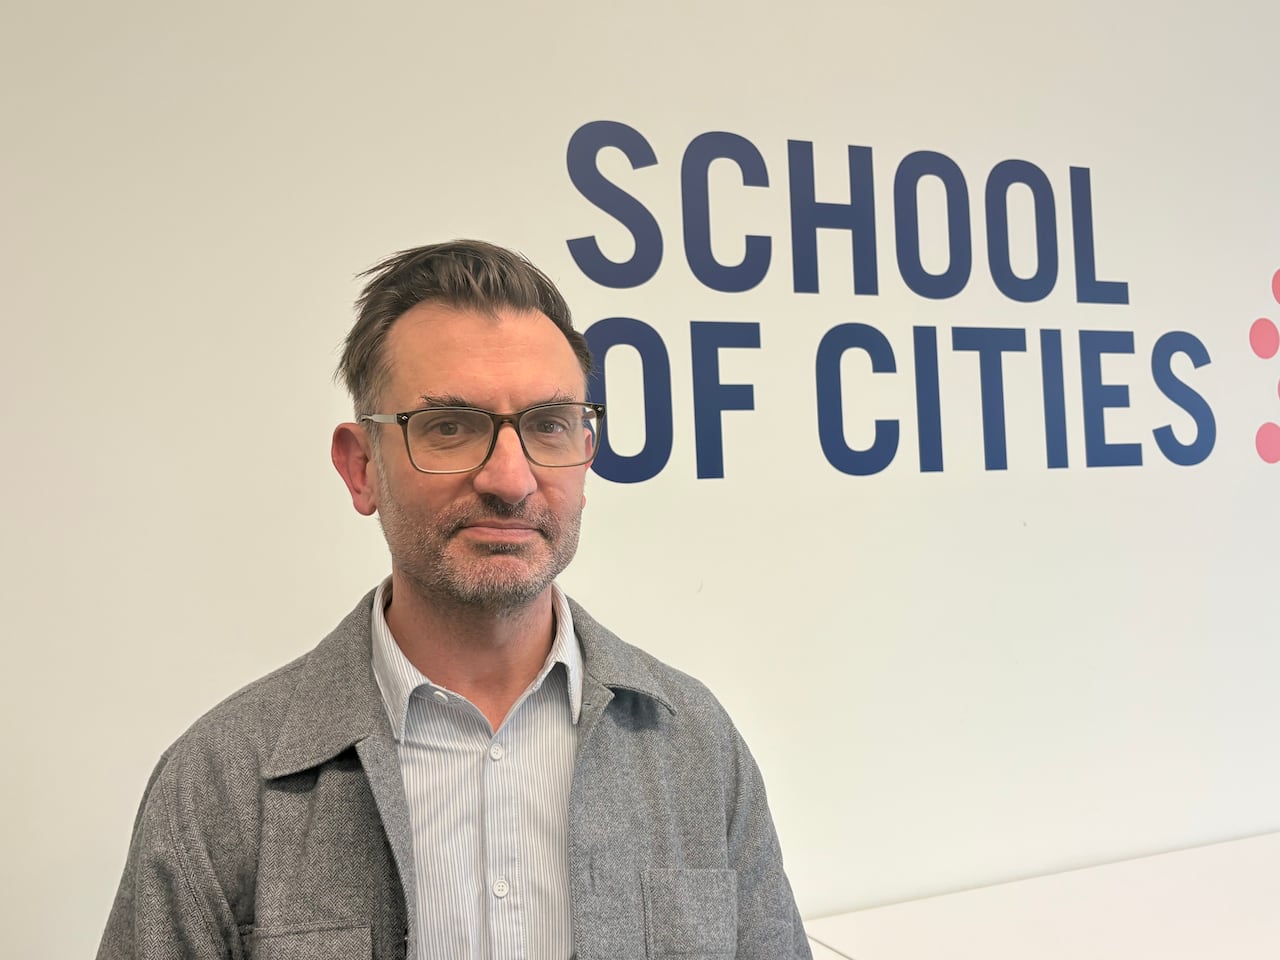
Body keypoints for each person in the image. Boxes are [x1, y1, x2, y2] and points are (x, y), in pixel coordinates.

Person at [97, 240, 811, 959]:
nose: (511, 478)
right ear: (361, 468)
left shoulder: (696, 748)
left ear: (586, 453)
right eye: (449, 427)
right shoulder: (221, 784)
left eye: (548, 425)